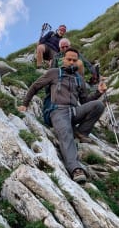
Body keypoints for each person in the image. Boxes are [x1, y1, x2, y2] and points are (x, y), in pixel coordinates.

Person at [18, 48, 107, 183]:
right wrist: (25, 104)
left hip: (74, 111)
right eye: (68, 59)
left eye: (74, 60)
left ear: (77, 62)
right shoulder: (54, 73)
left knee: (98, 105)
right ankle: (75, 169)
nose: (71, 62)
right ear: (63, 60)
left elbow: (84, 102)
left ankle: (81, 132)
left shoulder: (79, 79)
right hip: (57, 111)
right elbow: (35, 86)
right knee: (66, 135)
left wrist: (98, 92)